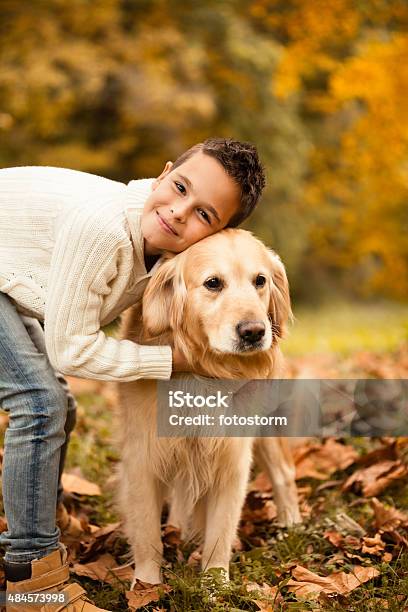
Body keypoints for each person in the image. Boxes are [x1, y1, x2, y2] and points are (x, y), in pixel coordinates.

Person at [0, 137, 265, 610]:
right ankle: (32, 579)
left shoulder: (168, 250)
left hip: (12, 275)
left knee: (56, 405)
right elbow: (71, 351)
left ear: (215, 234)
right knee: (39, 403)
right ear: (163, 173)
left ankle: (35, 521)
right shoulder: (104, 232)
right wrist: (171, 363)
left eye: (205, 214)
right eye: (180, 187)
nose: (181, 212)